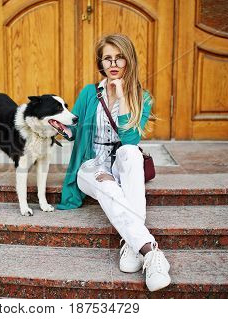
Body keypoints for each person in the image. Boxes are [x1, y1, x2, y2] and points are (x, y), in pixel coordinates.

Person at [57, 34, 171, 292]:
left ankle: (133, 246)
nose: (113, 63)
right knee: (106, 184)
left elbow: (130, 139)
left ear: (128, 60)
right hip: (91, 165)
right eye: (107, 58)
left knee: (130, 152)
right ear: (101, 63)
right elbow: (75, 128)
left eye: (119, 57)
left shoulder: (143, 97)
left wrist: (121, 96)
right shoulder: (89, 92)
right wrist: (60, 128)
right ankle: (150, 251)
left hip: (122, 163)